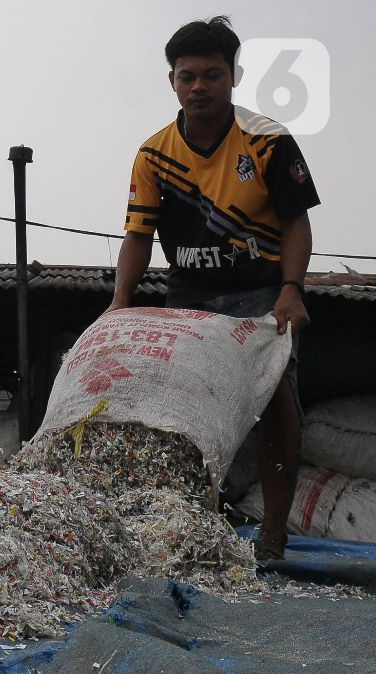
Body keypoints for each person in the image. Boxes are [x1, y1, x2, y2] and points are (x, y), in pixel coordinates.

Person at [108, 17, 320, 560]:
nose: (198, 86)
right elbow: (138, 234)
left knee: (277, 404)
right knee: (179, 415)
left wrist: (291, 289)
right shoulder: (153, 153)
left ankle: (273, 532)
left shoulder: (268, 140)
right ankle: (184, 532)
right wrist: (119, 303)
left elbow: (297, 222)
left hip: (260, 296)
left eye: (211, 75)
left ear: (233, 77)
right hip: (190, 303)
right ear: (173, 83)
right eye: (187, 77)